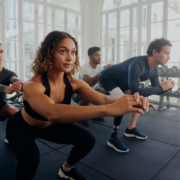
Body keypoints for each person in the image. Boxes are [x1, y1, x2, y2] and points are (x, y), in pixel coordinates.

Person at [6, 31, 156, 180]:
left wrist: (131, 99)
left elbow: (103, 99)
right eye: (63, 51)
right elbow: (51, 112)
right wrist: (108, 110)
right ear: (48, 53)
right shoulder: (33, 84)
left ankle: (66, 169)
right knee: (31, 160)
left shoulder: (74, 83)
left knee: (87, 139)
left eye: (73, 52)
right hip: (22, 126)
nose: (70, 57)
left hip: (49, 126)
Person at [99, 37, 175, 153]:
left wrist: (166, 87)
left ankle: (130, 129)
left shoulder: (155, 69)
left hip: (123, 83)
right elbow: (136, 91)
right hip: (108, 78)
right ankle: (113, 137)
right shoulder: (138, 64)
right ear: (155, 52)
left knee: (140, 99)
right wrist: (161, 87)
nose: (169, 58)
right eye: (166, 53)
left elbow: (157, 90)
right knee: (122, 102)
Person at [72, 46, 113, 127]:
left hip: (92, 89)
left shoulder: (99, 68)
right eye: (97, 55)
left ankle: (95, 115)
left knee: (104, 92)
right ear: (90, 57)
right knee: (87, 95)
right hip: (77, 92)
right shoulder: (84, 67)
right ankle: (82, 118)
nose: (99, 57)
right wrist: (103, 71)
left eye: (100, 55)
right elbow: (88, 83)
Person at [0, 43, 22, 143]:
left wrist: (18, 83)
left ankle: (9, 136)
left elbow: (14, 78)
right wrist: (6, 89)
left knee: (14, 112)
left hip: (1, 106)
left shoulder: (8, 73)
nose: (0, 55)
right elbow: (5, 88)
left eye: (1, 52)